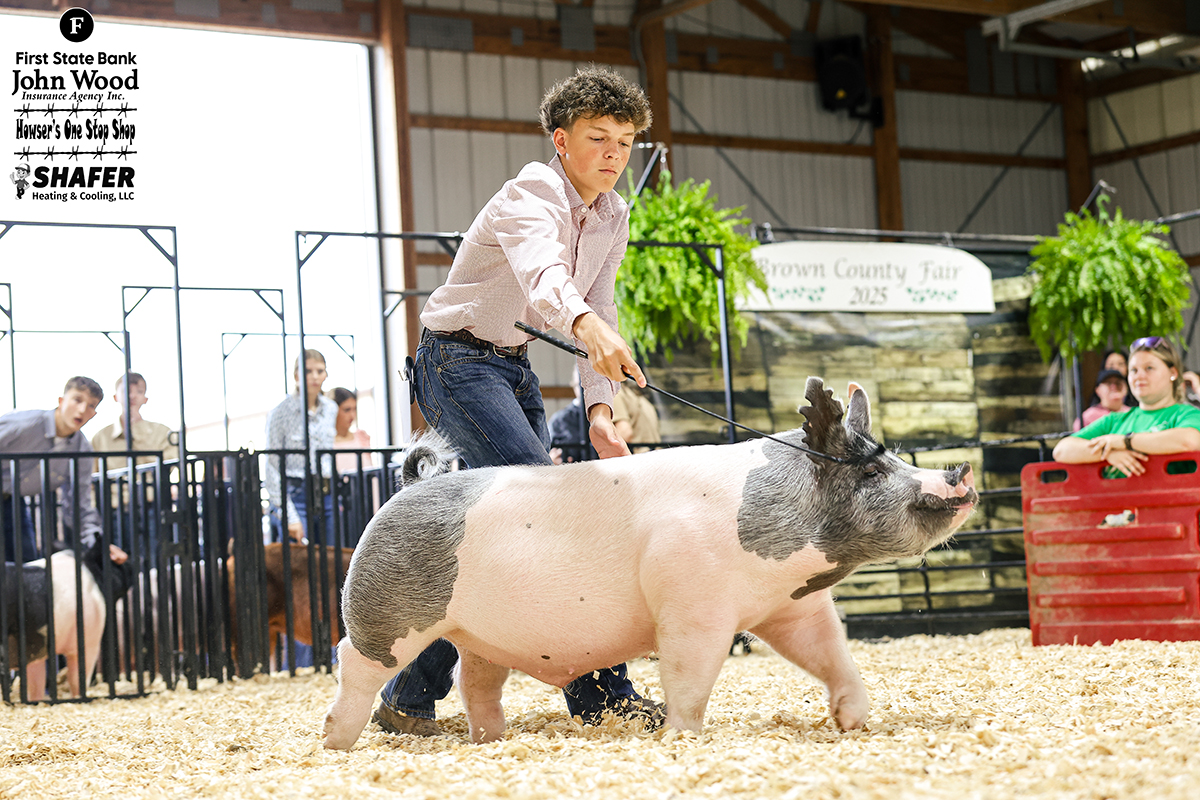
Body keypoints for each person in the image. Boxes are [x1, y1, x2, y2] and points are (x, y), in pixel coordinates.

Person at [374, 65, 660, 738]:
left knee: (485, 538)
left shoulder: (613, 215)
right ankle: (601, 696)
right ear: (561, 142)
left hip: (512, 368)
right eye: (599, 138)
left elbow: (602, 301)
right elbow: (546, 281)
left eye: (625, 141)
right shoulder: (531, 191)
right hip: (456, 362)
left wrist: (598, 410)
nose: (614, 155)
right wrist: (588, 329)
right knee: (552, 511)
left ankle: (405, 697)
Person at [1, 376, 128, 565]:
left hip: (11, 500)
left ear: (94, 413)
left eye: (91, 406)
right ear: (61, 401)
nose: (83, 410)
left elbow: (79, 505)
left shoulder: (82, 451)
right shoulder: (24, 424)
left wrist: (99, 544)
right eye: (77, 400)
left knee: (26, 566)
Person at [1054, 337, 1200, 477]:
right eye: (1134, 370)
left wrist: (1124, 442)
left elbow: (1189, 441)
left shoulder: (1187, 414)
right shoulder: (1114, 420)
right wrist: (1108, 453)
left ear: (1173, 373)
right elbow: (1061, 450)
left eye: (1149, 368)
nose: (1139, 376)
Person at [264, 349, 337, 544]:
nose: (314, 376)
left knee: (330, 559)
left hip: (325, 492)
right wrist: (288, 514)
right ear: (296, 375)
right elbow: (272, 465)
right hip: (295, 493)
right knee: (298, 562)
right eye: (307, 371)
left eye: (319, 371)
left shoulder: (331, 409)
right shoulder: (280, 412)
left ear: (326, 375)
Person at [548, 367, 597, 463]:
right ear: (574, 386)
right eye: (581, 385)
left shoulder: (609, 415)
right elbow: (549, 453)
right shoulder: (560, 421)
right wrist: (552, 461)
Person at [331, 387, 375, 474]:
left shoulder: (361, 437)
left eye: (354, 409)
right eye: (346, 410)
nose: (352, 415)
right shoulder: (327, 443)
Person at [611, 382, 661, 454]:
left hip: (638, 457)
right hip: (655, 455)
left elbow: (624, 433)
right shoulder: (638, 396)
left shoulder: (616, 393)